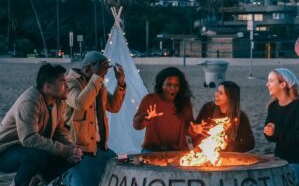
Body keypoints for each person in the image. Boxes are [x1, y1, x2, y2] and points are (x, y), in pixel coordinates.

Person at [0, 63, 82, 186]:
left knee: (76, 156)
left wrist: (71, 149)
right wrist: (65, 151)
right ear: (47, 86)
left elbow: (59, 131)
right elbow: (29, 139)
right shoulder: (29, 101)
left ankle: (37, 181)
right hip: (6, 152)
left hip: (30, 149)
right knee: (37, 157)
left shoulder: (58, 101)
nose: (67, 86)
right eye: (62, 82)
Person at [62, 51, 126, 186]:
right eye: (102, 70)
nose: (105, 74)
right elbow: (80, 103)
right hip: (78, 149)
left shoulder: (98, 84)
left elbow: (114, 107)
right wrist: (97, 77)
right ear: (87, 69)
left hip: (101, 148)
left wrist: (120, 84)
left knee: (124, 169)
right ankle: (63, 178)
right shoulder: (69, 83)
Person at [133, 67, 194, 152]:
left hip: (176, 151)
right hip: (152, 150)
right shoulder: (150, 99)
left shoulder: (185, 102)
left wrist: (194, 130)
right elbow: (136, 126)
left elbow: (189, 129)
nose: (173, 88)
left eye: (177, 85)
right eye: (169, 84)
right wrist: (146, 117)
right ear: (161, 85)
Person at [191, 81, 255, 152]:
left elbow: (250, 143)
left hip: (228, 157)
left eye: (221, 93)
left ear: (230, 97)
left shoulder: (241, 117)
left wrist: (229, 145)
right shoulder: (208, 108)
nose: (216, 95)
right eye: (217, 91)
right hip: (205, 154)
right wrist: (194, 130)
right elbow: (194, 134)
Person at [264, 68, 299, 185]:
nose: (267, 84)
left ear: (283, 84)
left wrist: (277, 131)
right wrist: (269, 132)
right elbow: (271, 138)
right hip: (279, 158)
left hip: (296, 160)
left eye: (271, 81)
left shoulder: (298, 106)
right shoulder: (273, 106)